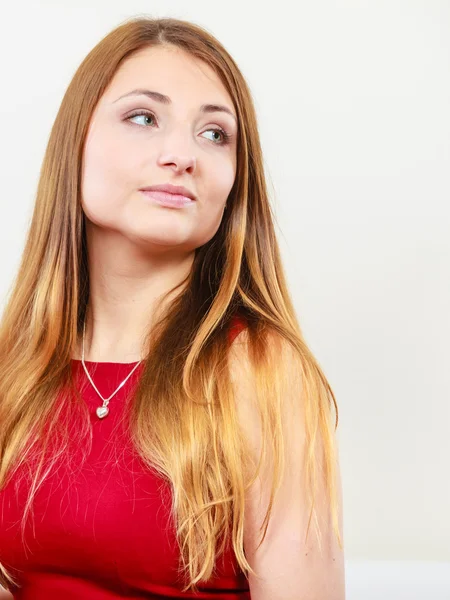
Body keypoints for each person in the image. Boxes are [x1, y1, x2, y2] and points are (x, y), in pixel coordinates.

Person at [0, 16, 345, 600]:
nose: (182, 154)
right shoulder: (18, 362)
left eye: (215, 134)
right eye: (143, 117)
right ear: (75, 143)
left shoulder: (260, 369)